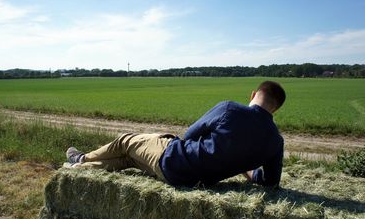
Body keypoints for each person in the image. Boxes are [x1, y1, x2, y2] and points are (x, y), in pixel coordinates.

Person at [65, 81, 286, 188]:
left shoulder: (230, 109)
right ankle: (79, 168)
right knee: (129, 159)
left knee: (126, 141)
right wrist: (245, 169)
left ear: (254, 94)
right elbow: (270, 181)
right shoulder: (276, 142)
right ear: (275, 109)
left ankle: (82, 158)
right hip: (191, 181)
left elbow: (189, 135)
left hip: (173, 161)